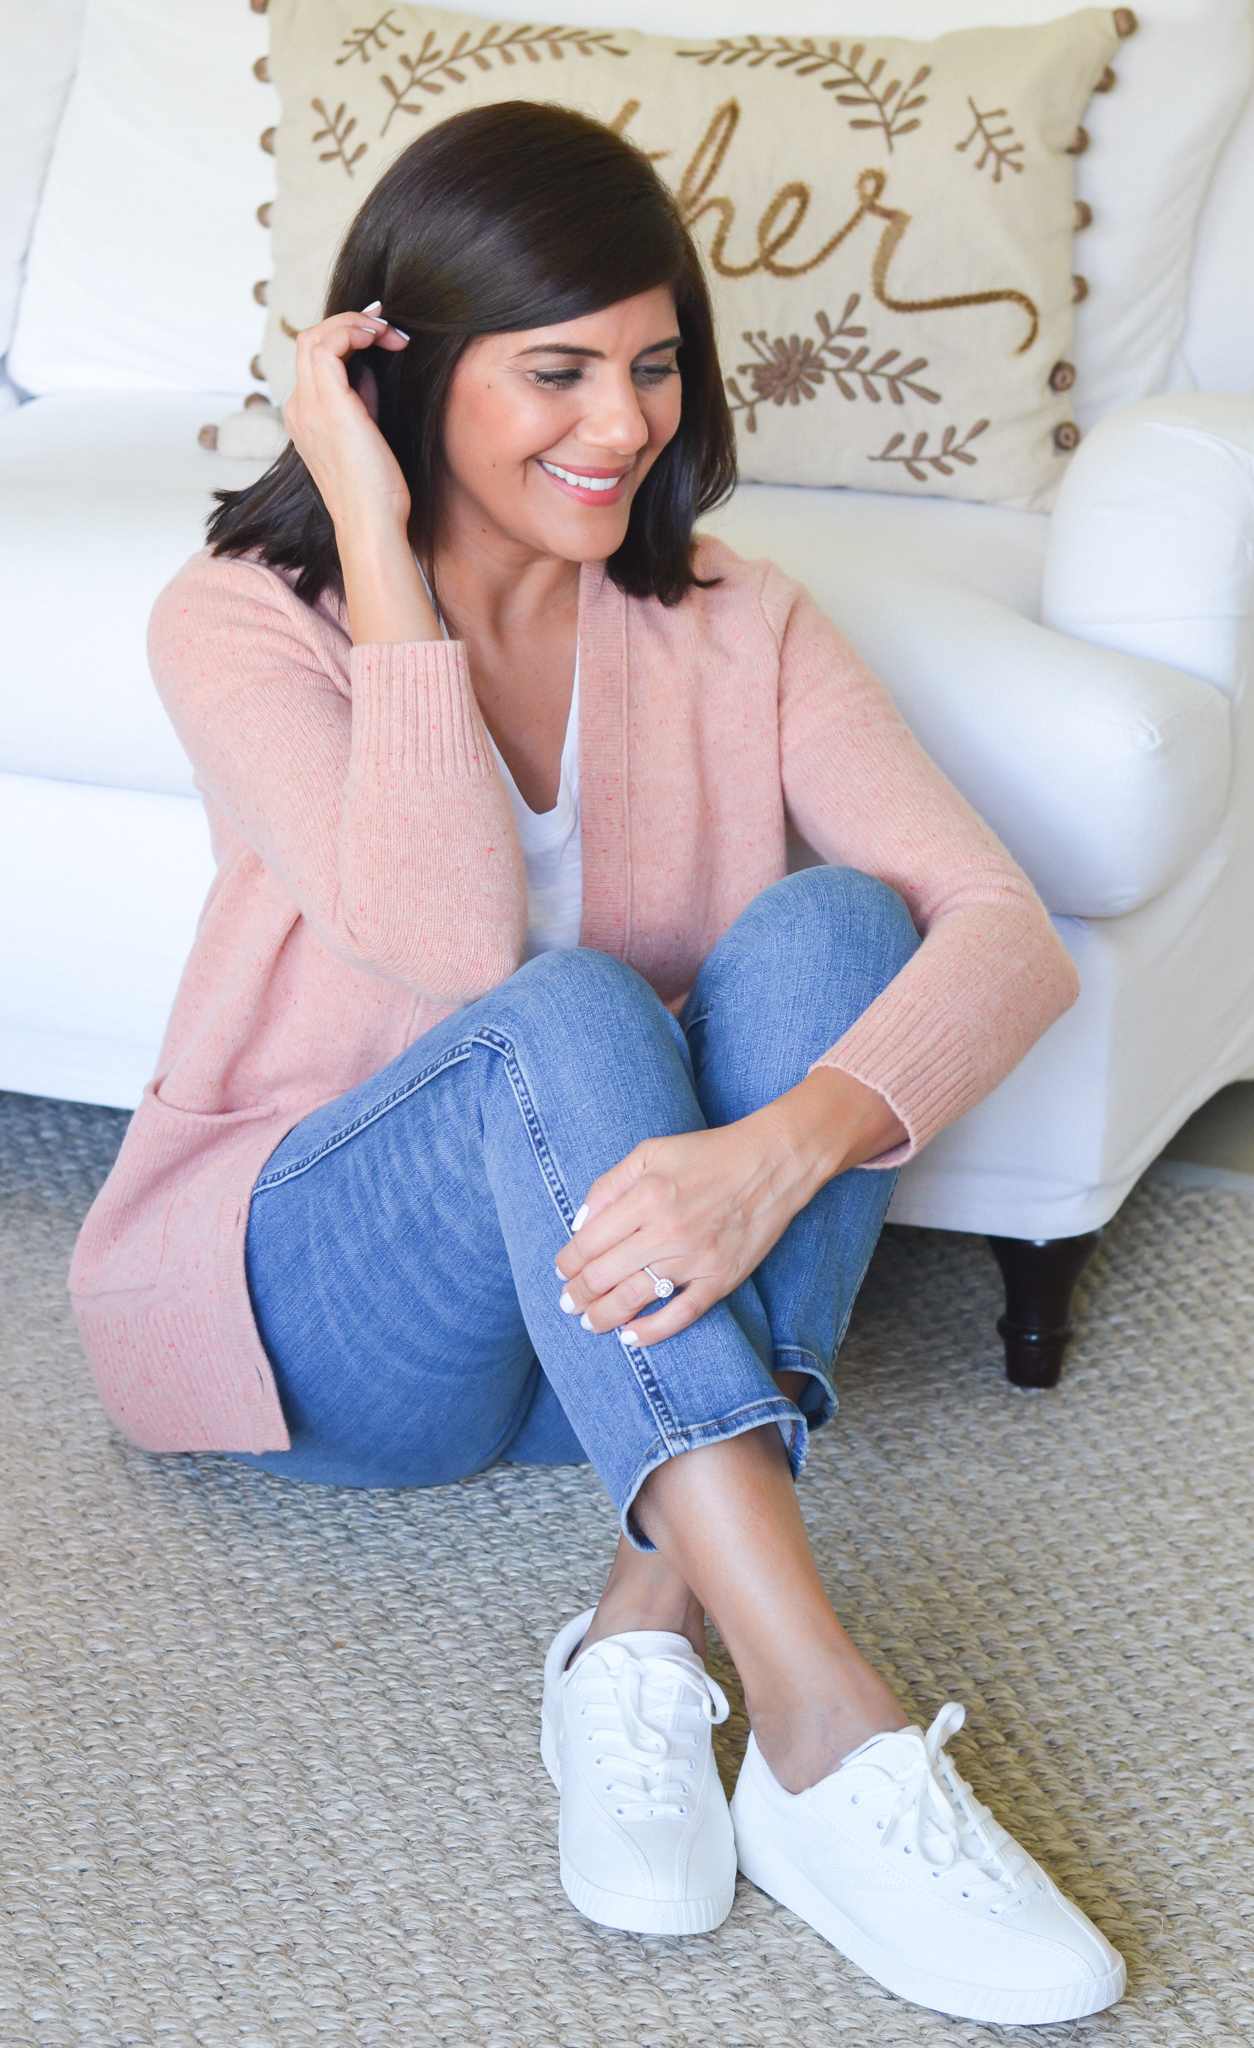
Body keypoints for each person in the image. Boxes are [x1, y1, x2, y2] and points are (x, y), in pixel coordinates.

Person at [70, 101, 1123, 2025]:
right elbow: (459, 948)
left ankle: (645, 1625)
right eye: (554, 370)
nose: (622, 425)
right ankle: (820, 1717)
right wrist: (383, 558)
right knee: (564, 1010)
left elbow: (1003, 934)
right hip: (339, 1311)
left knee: (839, 934)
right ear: (401, 374)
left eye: (651, 365)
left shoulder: (733, 613)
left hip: (615, 1338)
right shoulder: (237, 622)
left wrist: (783, 1146)